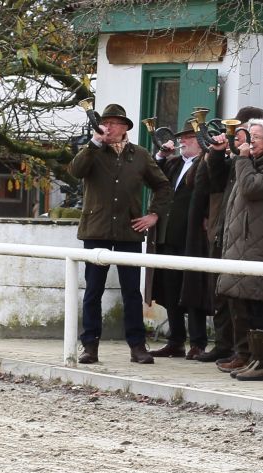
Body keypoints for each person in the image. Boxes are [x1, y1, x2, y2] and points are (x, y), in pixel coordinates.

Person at [69, 103, 173, 365]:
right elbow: (75, 171)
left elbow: (163, 186)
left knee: (131, 292)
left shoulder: (139, 155)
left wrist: (153, 215)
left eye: (113, 123)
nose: (108, 127)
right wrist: (94, 143)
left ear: (125, 127)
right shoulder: (92, 151)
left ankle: (137, 346)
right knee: (93, 290)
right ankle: (89, 345)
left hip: (129, 230)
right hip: (97, 230)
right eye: (105, 122)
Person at [214, 118, 263, 381]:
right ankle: (251, 357)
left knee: (261, 305)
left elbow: (250, 188)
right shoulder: (253, 165)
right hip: (244, 246)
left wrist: (243, 159)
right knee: (245, 304)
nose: (249, 142)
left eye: (255, 138)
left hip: (262, 248)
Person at [203, 107, 263, 369]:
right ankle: (226, 345)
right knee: (222, 294)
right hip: (225, 232)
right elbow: (214, 182)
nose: (240, 135)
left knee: (243, 300)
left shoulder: (262, 162)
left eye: (246, 131)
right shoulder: (238, 158)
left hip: (248, 238)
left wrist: (259, 222)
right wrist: (217, 154)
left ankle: (246, 352)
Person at [149, 120, 210, 359]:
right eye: (182, 137)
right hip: (169, 235)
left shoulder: (206, 162)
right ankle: (175, 340)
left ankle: (198, 342)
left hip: (192, 237)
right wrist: (161, 156)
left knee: (193, 289)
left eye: (188, 137)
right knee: (170, 289)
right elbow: (153, 178)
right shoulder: (174, 163)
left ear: (201, 141)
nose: (182, 141)